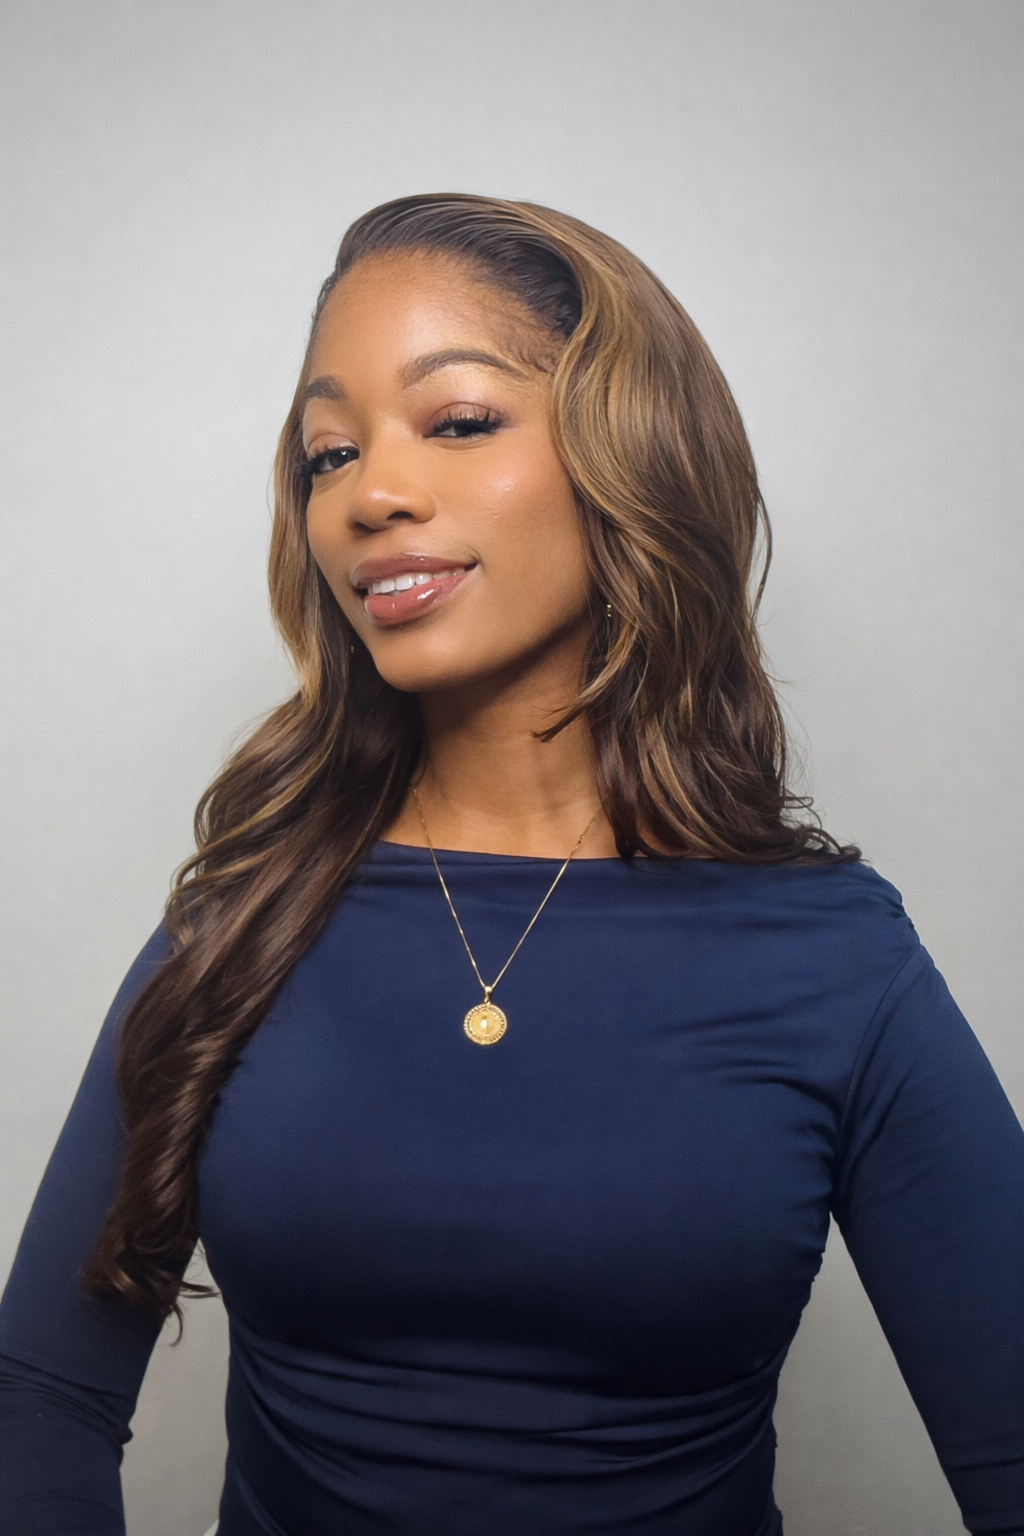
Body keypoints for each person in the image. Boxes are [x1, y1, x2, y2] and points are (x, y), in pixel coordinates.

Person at [1, 193, 1021, 1536]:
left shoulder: (833, 959)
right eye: (328, 452)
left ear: (629, 454)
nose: (370, 494)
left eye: (460, 420)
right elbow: (40, 1399)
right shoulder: (241, 927)